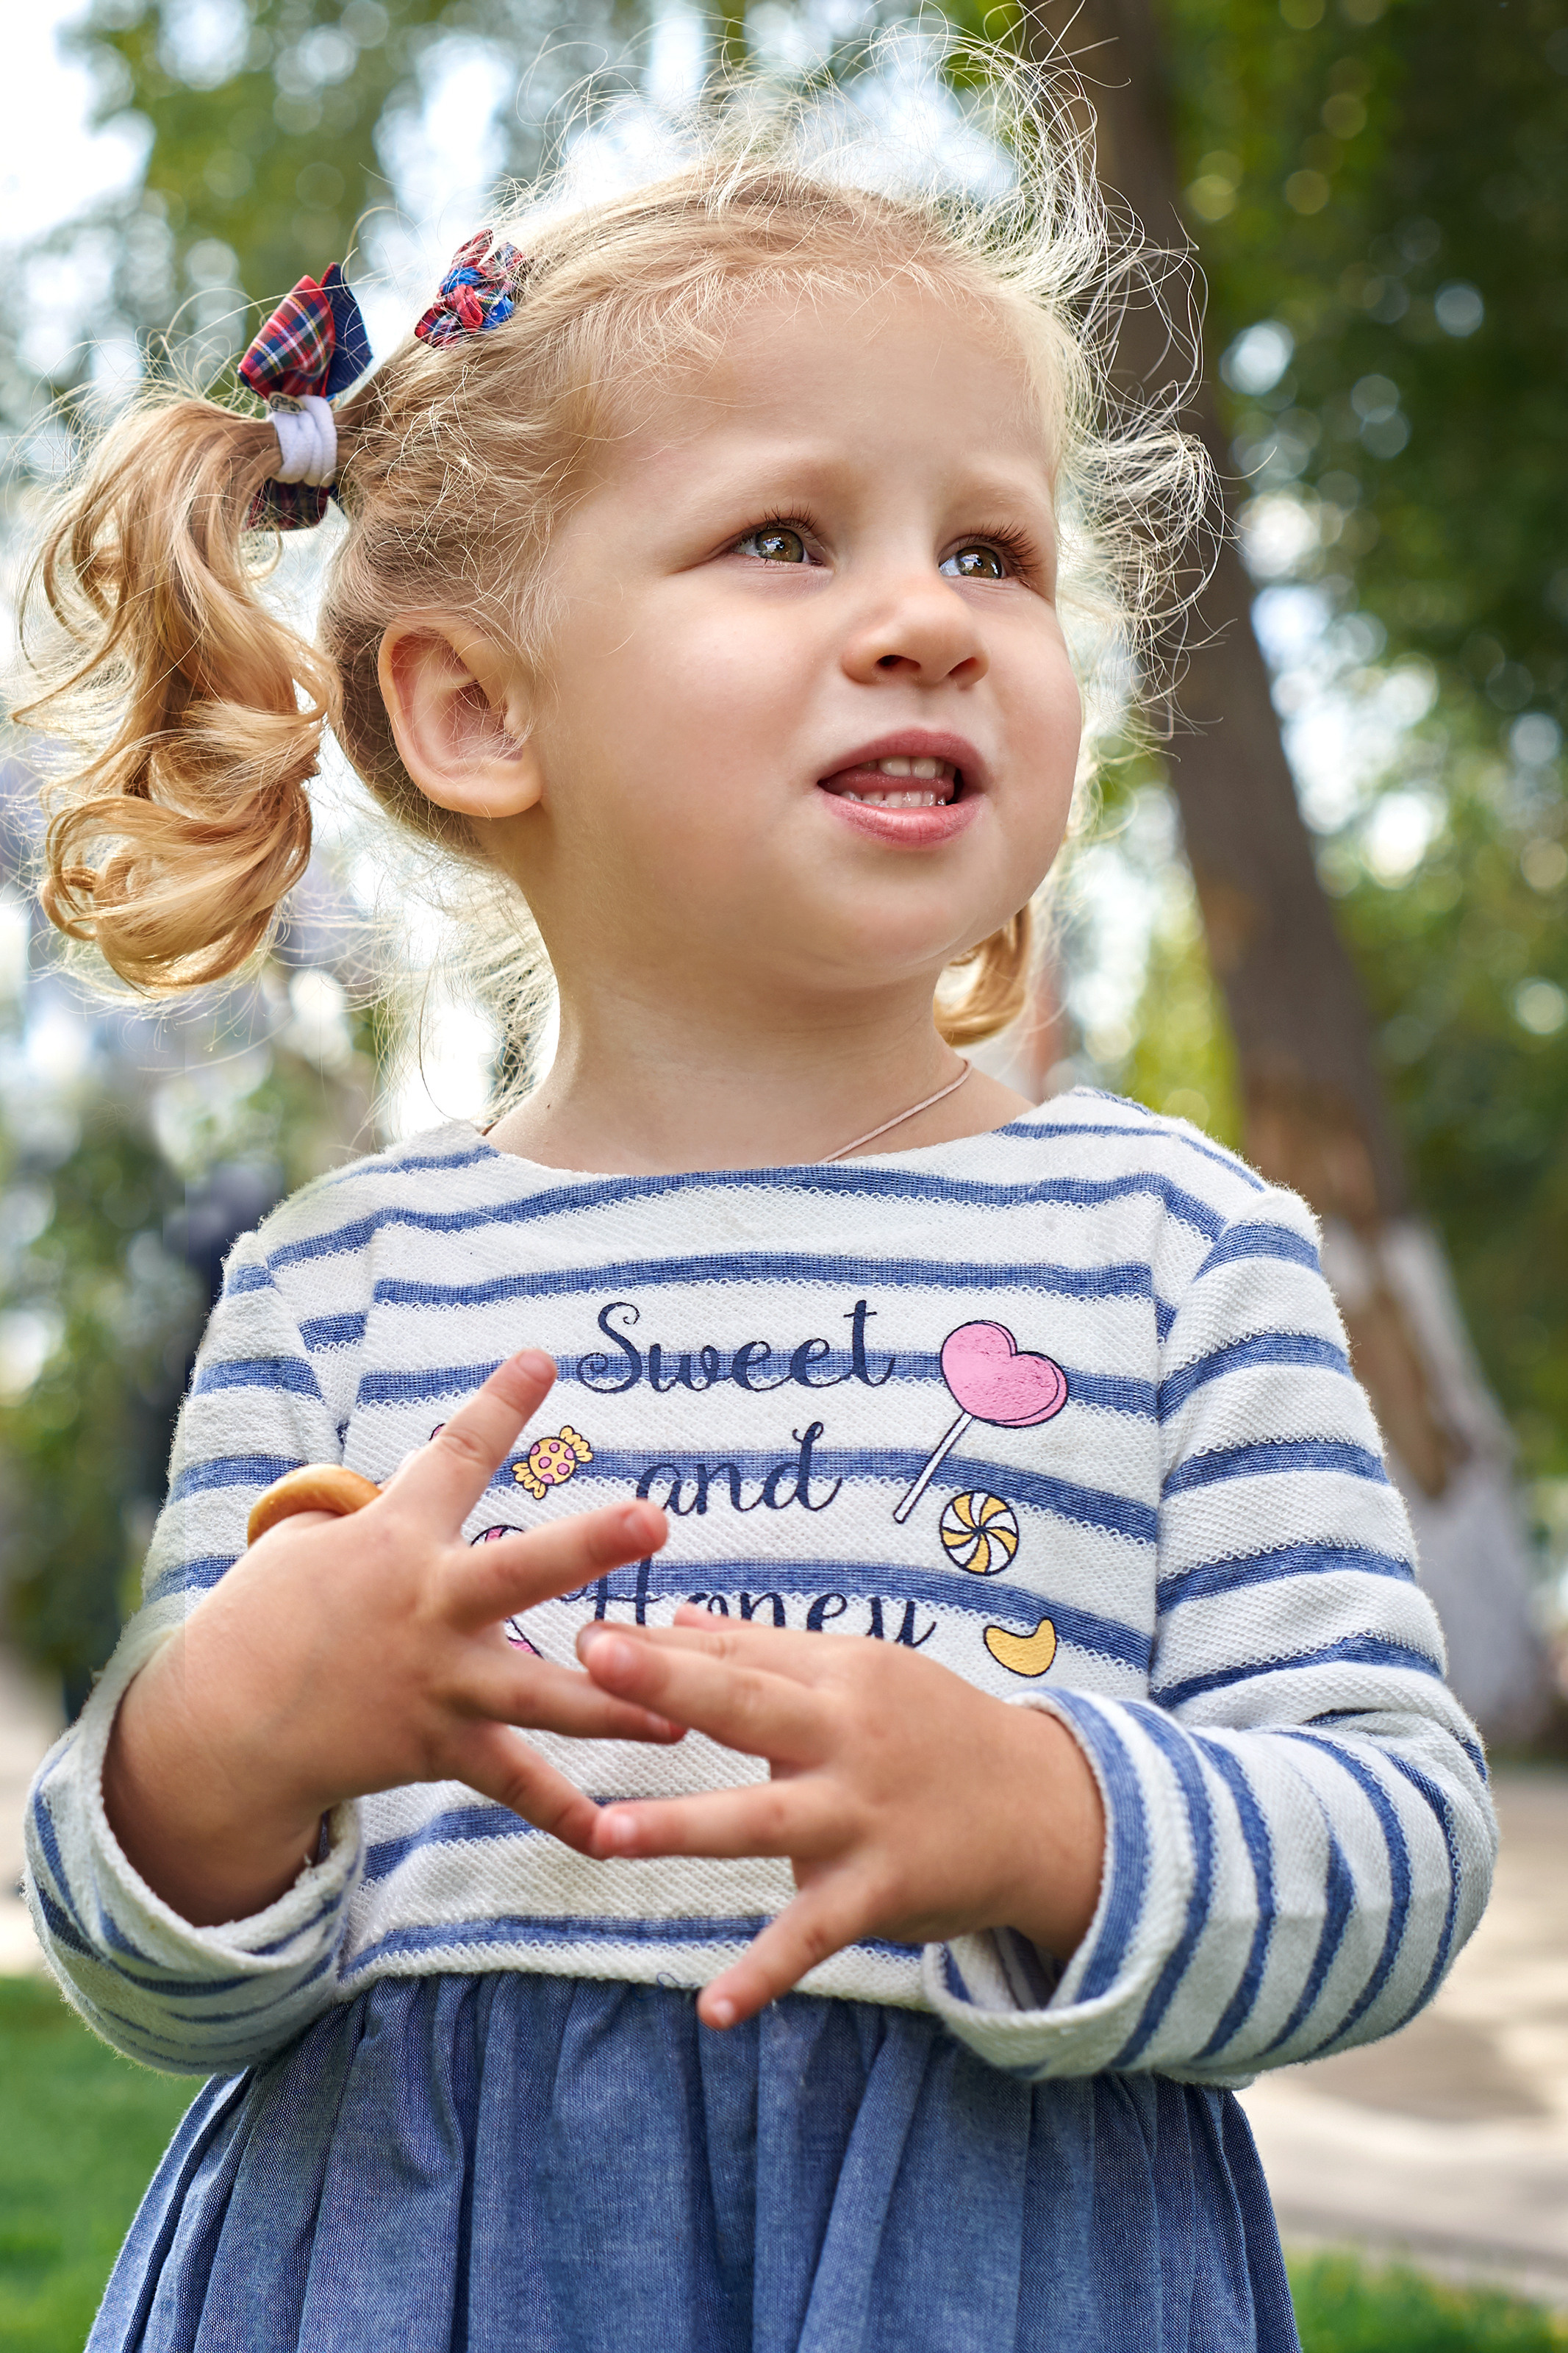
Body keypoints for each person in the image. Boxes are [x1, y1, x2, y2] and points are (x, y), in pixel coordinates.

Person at [19, 57, 1494, 2353]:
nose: (927, 619)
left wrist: (1054, 1816)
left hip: (987, 2273)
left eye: (992, 551)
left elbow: (1395, 1846)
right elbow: (153, 1978)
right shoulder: (345, 1284)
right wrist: (227, 1738)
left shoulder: (1172, 1256)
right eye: (787, 538)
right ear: (477, 709)